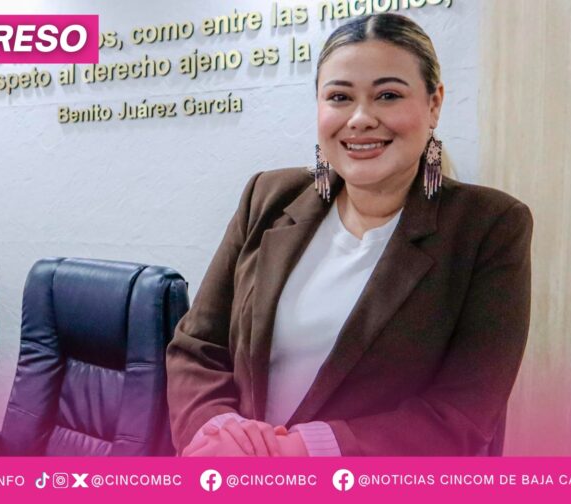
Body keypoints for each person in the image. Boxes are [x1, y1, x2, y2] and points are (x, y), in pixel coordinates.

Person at [166, 13, 532, 456]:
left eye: (388, 95)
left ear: (434, 103)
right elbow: (196, 345)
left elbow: (460, 414)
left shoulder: (489, 226)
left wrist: (299, 453)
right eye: (339, 97)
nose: (360, 119)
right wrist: (218, 430)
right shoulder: (267, 196)